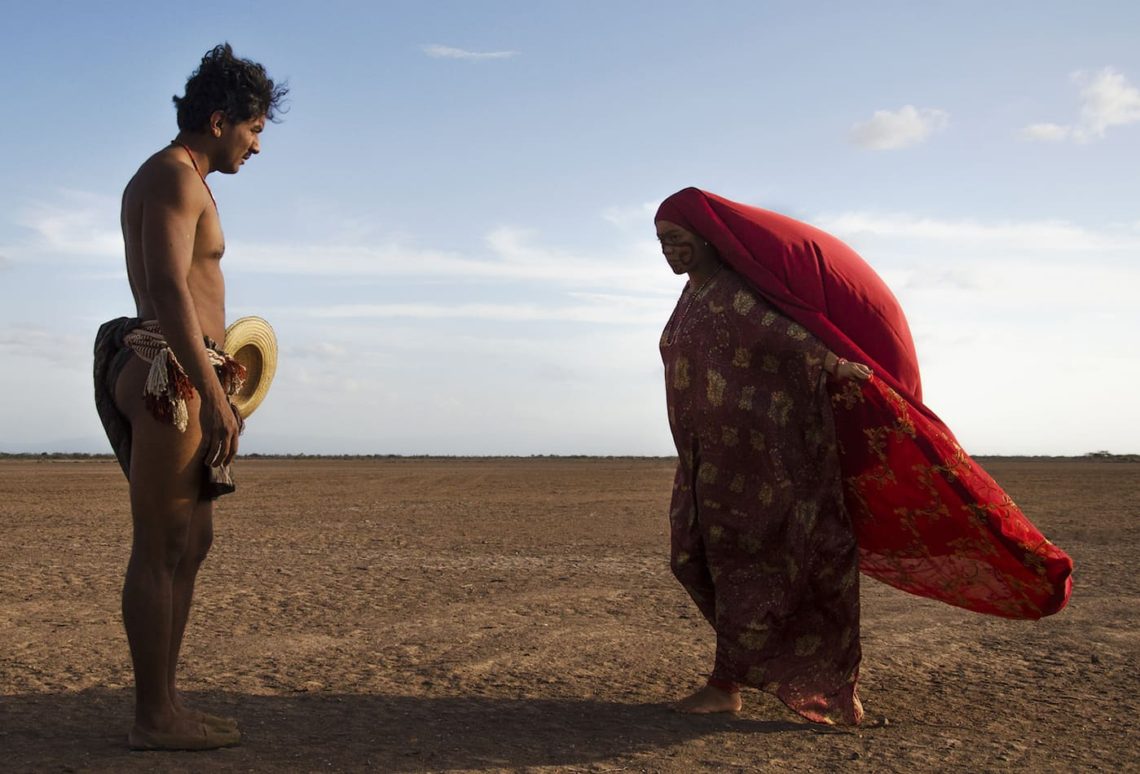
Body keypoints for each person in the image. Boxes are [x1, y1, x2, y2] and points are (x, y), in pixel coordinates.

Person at [654, 188, 1072, 725]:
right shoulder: (690, 299)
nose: (669, 252)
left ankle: (744, 683)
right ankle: (740, 672)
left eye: (677, 240)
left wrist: (833, 363)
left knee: (761, 569)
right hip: (707, 463)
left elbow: (784, 338)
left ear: (707, 238)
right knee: (694, 559)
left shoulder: (734, 293)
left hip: (766, 463)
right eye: (662, 243)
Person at [93, 43, 286, 751]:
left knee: (191, 541)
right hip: (169, 374)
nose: (257, 146)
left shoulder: (181, 178)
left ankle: (167, 704)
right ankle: (153, 718)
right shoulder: (173, 178)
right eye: (254, 129)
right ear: (218, 119)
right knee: (160, 545)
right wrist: (210, 390)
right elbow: (172, 288)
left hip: (183, 366)